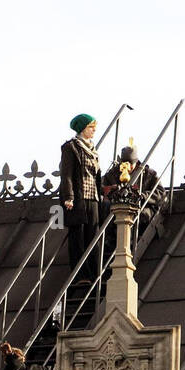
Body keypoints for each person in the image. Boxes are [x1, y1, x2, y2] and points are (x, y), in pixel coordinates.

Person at [59, 114, 105, 281]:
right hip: (78, 199)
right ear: (82, 128)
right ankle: (80, 274)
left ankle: (95, 272)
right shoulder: (71, 147)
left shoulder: (93, 149)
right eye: (90, 127)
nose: (93, 131)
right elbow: (67, 175)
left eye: (94, 127)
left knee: (93, 234)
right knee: (78, 236)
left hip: (92, 197)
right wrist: (68, 197)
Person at [102, 145, 166, 232]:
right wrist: (110, 190)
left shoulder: (148, 174)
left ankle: (130, 240)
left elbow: (160, 193)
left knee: (137, 214)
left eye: (130, 164)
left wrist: (141, 196)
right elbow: (100, 187)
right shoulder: (113, 173)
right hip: (117, 207)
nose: (127, 167)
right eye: (124, 164)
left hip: (142, 207)